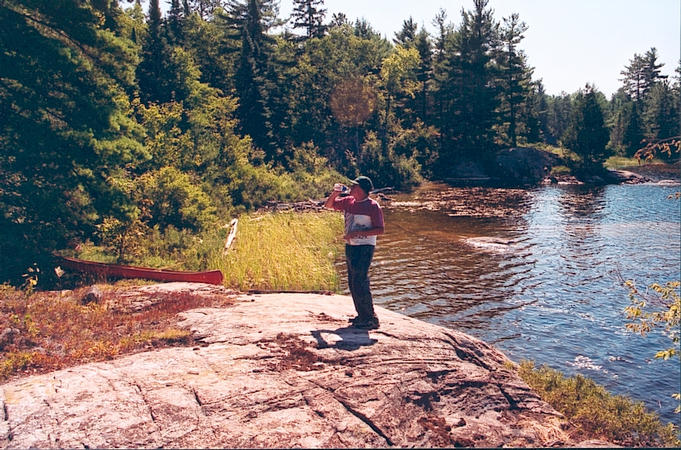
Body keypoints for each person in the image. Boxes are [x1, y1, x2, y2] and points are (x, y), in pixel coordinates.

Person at [324, 176, 384, 329]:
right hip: (351, 245)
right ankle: (361, 315)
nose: (351, 188)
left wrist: (357, 234)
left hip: (365, 246)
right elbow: (328, 205)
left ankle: (370, 318)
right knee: (352, 282)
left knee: (360, 280)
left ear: (362, 189)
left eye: (354, 186)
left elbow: (380, 230)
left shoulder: (372, 206)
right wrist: (335, 193)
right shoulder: (348, 201)